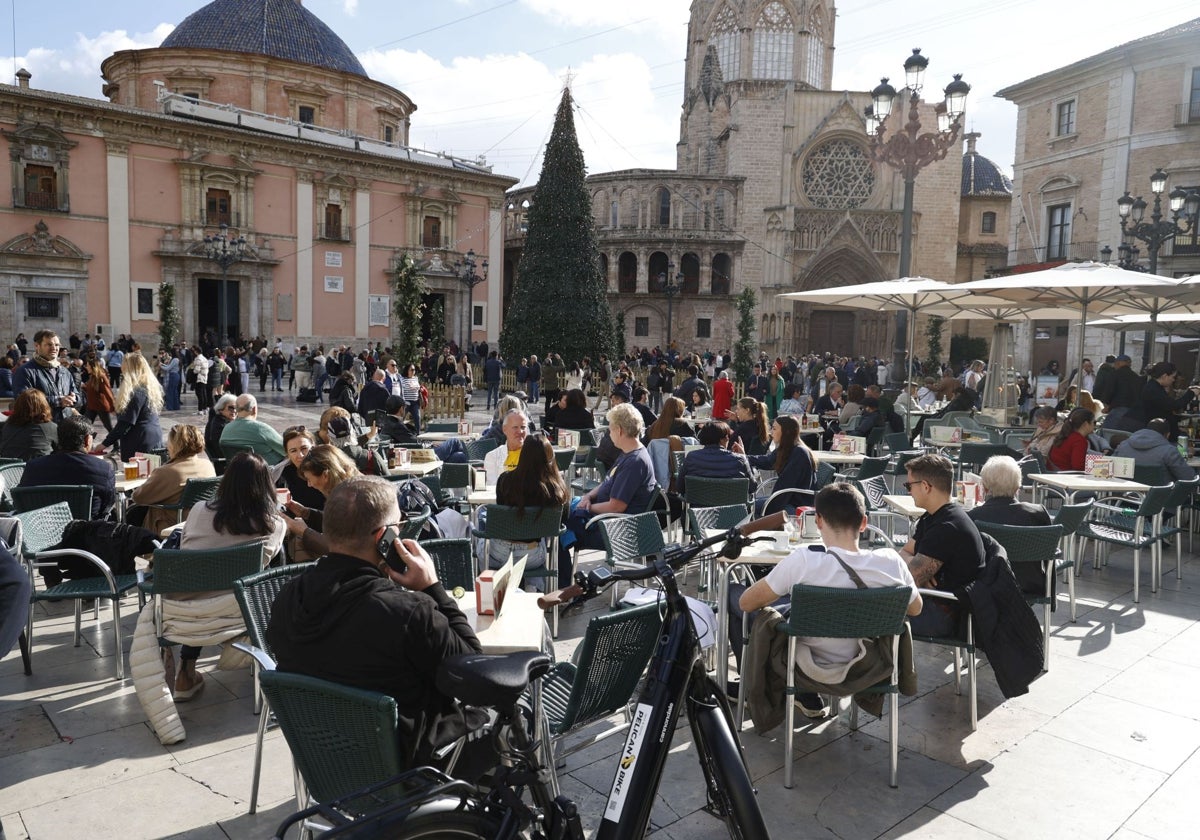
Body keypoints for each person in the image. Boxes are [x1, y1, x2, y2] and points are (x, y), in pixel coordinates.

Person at [267, 476, 484, 768]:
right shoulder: (408, 612)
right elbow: (474, 675)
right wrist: (433, 587)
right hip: (412, 771)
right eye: (399, 526)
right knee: (520, 715)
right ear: (383, 537)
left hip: (331, 767)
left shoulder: (287, 599)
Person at [731, 482, 923, 715]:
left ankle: (755, 687)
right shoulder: (890, 563)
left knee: (734, 594)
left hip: (803, 667)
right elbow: (915, 609)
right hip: (865, 667)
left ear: (819, 521)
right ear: (864, 523)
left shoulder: (803, 561)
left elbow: (747, 603)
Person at [174, 452, 287, 700]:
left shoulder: (198, 510)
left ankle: (185, 670)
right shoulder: (274, 524)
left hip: (183, 607)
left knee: (205, 588)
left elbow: (185, 550)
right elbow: (269, 566)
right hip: (240, 609)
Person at [559, 403, 658, 587]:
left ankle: (562, 586)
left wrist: (587, 506)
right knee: (560, 518)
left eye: (610, 429)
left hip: (615, 528)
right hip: (606, 520)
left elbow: (616, 507)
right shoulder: (629, 453)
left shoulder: (634, 462)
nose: (609, 434)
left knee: (558, 529)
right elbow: (607, 483)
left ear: (619, 430)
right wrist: (588, 497)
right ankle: (562, 584)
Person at [900, 454, 986, 637]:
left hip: (948, 616)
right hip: (939, 603)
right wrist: (917, 564)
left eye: (909, 485)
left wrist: (916, 571)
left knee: (872, 614)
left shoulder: (946, 528)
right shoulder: (934, 516)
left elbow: (906, 580)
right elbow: (905, 552)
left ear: (925, 486)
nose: (908, 491)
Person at [484, 434, 569, 571]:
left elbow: (502, 509)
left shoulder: (505, 480)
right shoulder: (555, 489)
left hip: (499, 553)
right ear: (550, 458)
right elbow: (561, 521)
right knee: (547, 540)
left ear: (522, 455)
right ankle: (534, 587)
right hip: (531, 556)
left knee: (478, 532)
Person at [19, 416, 115, 520]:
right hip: (87, 532)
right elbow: (107, 504)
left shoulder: (33, 467)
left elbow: (22, 502)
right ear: (87, 440)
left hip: (42, 531)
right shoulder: (103, 468)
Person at [129, 424, 217, 534]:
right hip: (200, 521)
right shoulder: (207, 465)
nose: (167, 445)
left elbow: (138, 497)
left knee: (133, 511)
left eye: (169, 442)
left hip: (170, 525)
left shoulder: (167, 471)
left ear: (175, 445)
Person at [98, 352, 164, 461]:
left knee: (138, 475)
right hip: (153, 437)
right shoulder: (147, 387)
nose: (121, 368)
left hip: (139, 441)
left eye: (123, 365)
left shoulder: (136, 391)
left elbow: (125, 423)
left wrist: (105, 444)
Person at [748, 415, 816, 515]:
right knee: (748, 506)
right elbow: (767, 461)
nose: (771, 432)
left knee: (748, 509)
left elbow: (785, 485)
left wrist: (768, 508)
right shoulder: (787, 448)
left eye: (774, 429)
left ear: (786, 432)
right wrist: (742, 457)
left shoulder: (799, 452)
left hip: (795, 506)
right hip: (786, 499)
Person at [968, 456, 1052, 527]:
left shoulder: (973, 517)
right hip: (1029, 546)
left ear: (985, 488)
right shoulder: (1038, 513)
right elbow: (1049, 543)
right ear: (1018, 487)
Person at [12, 330, 78, 421]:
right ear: (37, 346)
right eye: (49, 344)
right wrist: (58, 401)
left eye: (57, 345)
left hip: (66, 426)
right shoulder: (25, 371)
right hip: (41, 427)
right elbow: (23, 401)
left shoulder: (65, 371)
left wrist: (74, 398)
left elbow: (76, 393)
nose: (54, 348)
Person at [675, 421, 753, 496]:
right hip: (733, 508)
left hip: (699, 508)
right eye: (728, 436)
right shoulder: (739, 460)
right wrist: (743, 456)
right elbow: (752, 487)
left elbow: (680, 488)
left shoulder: (691, 457)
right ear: (725, 438)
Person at [1127, 361, 1199, 440]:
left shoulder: (1154, 387)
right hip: (1154, 431)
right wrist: (1191, 393)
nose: (1173, 380)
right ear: (1165, 376)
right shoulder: (1153, 389)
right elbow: (1173, 405)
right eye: (1173, 377)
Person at [1114, 417, 1198, 480]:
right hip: (1161, 500)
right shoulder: (1169, 451)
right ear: (1167, 435)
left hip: (1125, 498)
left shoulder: (1123, 446)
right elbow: (1189, 478)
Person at [219, 393, 286, 464]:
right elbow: (286, 449)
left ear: (237, 409)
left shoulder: (226, 428)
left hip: (237, 471)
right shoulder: (261, 429)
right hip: (268, 471)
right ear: (254, 409)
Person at [0, 389, 59, 461]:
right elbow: (61, 452)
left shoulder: (7, 427)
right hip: (37, 470)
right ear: (44, 406)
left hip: (8, 470)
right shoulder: (50, 428)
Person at [483, 409, 529, 485]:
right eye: (515, 427)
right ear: (504, 429)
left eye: (523, 427)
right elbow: (492, 487)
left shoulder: (534, 454)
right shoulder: (493, 456)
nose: (520, 431)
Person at [1048, 408, 1096, 472]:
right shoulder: (1079, 440)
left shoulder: (1067, 435)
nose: (1095, 426)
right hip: (1064, 476)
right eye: (1094, 422)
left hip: (1053, 473)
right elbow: (1078, 467)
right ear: (1086, 424)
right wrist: (1096, 466)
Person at [82, 356, 116, 432]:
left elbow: (108, 392)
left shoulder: (101, 377)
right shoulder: (92, 377)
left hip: (101, 406)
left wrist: (113, 407)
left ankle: (116, 442)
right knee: (85, 425)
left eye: (87, 366)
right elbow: (92, 389)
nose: (86, 367)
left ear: (92, 366)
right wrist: (84, 387)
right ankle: (86, 441)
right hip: (91, 406)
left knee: (108, 426)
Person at [204, 394, 237, 461]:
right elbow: (221, 450)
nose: (234, 411)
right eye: (231, 408)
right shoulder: (220, 425)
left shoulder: (217, 420)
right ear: (221, 409)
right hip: (225, 462)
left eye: (237, 408)